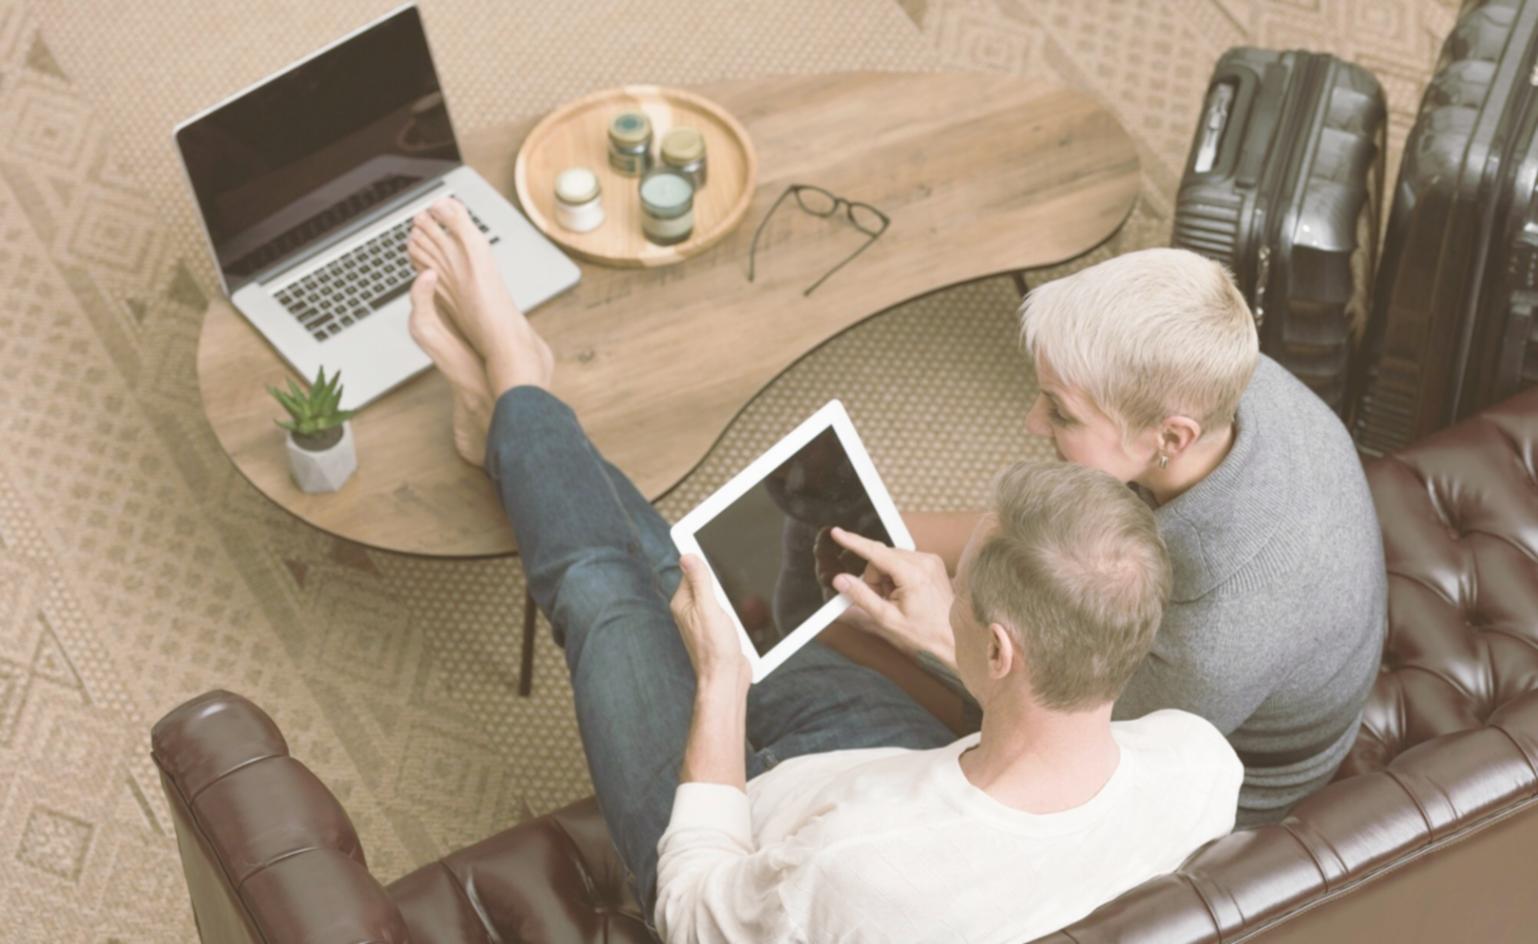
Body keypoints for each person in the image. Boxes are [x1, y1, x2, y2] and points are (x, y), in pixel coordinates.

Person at [403, 200, 1242, 943]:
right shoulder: (1201, 760)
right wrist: (940, 642)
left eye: (958, 597)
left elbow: (692, 910)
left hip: (740, 832)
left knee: (604, 590)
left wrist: (721, 688)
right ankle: (518, 419)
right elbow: (1048, 720)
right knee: (694, 572)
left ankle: (519, 387)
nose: (941, 598)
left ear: (1000, 651)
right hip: (903, 757)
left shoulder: (858, 871)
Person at [841, 248, 1387, 827]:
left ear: (1171, 439)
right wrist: (872, 528)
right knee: (859, 594)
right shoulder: (1219, 380)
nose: (1031, 422)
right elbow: (1050, 519)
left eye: (1061, 412)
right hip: (1188, 664)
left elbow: (1082, 738)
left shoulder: (1216, 632)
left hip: (1212, 772)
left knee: (844, 628)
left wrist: (940, 633)